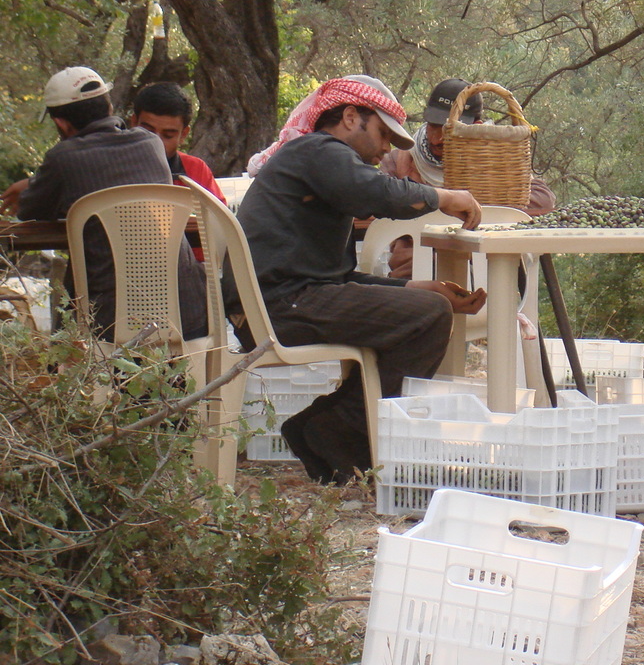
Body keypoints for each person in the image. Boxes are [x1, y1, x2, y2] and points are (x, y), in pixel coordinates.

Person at [224, 75, 487, 486]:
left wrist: (414, 289)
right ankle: (335, 431)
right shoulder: (318, 151)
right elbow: (373, 193)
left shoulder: (319, 167)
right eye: (383, 134)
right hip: (279, 305)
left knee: (429, 308)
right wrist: (445, 197)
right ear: (350, 117)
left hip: (285, 301)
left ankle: (327, 428)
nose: (385, 148)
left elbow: (339, 278)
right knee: (431, 316)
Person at [0, 66, 207, 341]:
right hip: (186, 313)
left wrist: (37, 185)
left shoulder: (64, 158)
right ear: (109, 106)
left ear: (60, 123)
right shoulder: (150, 144)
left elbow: (31, 212)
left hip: (109, 322)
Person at [378, 78, 556, 277]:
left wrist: (472, 201)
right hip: (418, 275)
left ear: (475, 126)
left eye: (449, 129)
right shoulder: (400, 161)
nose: (437, 138)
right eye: (433, 126)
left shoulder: (498, 162)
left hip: (487, 272)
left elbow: (542, 198)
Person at [130, 81, 227, 260]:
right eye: (147, 131)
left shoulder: (195, 170)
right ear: (133, 122)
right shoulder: (112, 169)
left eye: (168, 135)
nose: (156, 142)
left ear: (183, 134)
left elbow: (221, 223)